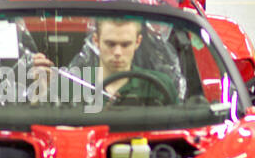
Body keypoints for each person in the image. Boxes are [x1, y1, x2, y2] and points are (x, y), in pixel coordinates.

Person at [30, 17, 174, 106]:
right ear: (96, 41)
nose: (118, 52)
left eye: (125, 44)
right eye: (110, 44)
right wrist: (41, 90)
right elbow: (43, 127)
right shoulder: (70, 84)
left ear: (137, 42)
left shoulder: (159, 86)